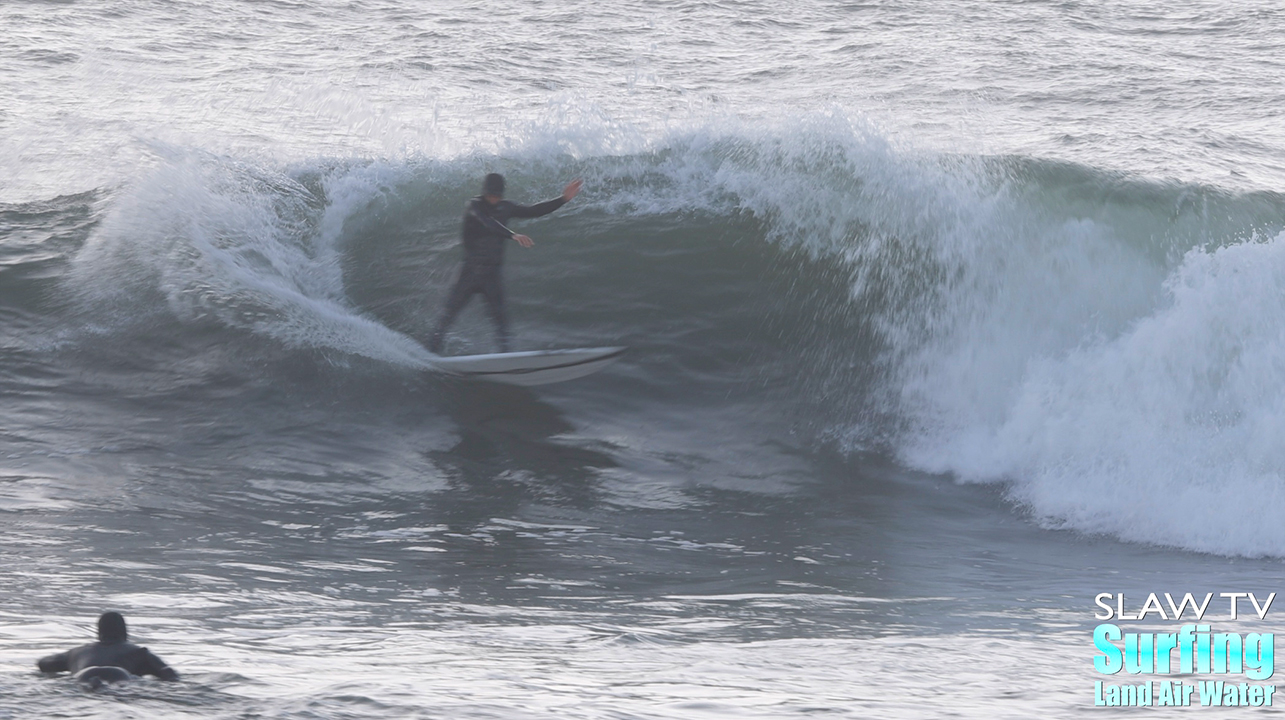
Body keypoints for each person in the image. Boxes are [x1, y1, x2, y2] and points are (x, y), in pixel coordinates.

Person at [428, 173, 583, 354]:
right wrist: (512, 235)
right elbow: (487, 223)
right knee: (447, 317)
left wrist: (563, 199)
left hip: (492, 275)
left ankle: (506, 360)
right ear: (485, 193)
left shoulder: (506, 207)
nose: (494, 199)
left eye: (497, 196)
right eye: (490, 195)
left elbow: (534, 211)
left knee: (502, 324)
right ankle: (431, 355)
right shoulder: (474, 206)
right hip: (468, 274)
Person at [37, 611, 179, 686]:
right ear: (125, 633)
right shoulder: (140, 652)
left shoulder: (76, 652)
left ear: (99, 634)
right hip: (119, 675)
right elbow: (168, 673)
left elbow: (44, 663)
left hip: (84, 676)